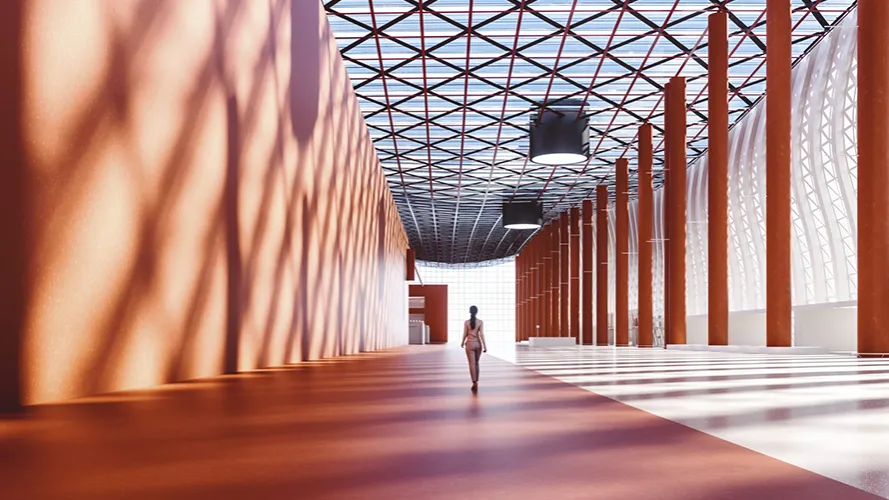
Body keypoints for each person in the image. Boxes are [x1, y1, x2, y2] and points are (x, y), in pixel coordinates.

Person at [461, 305, 487, 391]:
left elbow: (465, 334)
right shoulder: (480, 322)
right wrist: (485, 345)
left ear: (470, 312)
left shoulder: (466, 322)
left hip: (469, 344)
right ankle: (477, 381)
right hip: (478, 344)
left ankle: (474, 382)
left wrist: (462, 342)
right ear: (477, 312)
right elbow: (481, 334)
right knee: (476, 363)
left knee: (471, 363)